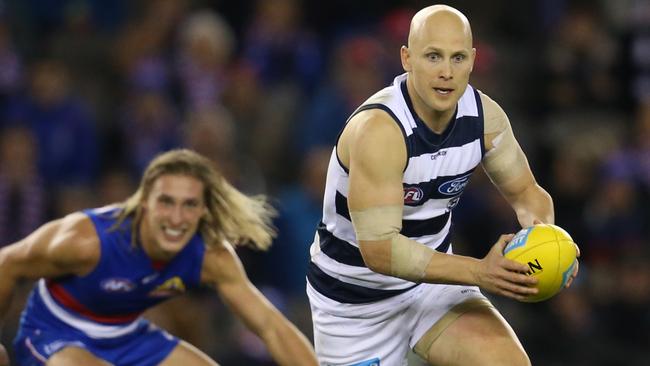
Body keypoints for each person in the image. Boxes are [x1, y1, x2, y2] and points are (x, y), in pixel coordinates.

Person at [306, 5, 580, 366]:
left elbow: (527, 194)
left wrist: (549, 240)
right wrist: (481, 272)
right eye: (433, 56)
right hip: (354, 303)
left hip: (433, 287)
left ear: (473, 60)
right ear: (406, 58)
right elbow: (381, 251)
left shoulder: (485, 118)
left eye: (458, 57)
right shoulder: (380, 131)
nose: (446, 72)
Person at [0, 149, 318, 366]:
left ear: (203, 210)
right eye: (166, 202)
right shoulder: (86, 241)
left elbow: (270, 327)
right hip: (54, 334)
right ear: (144, 203)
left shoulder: (210, 255)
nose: (176, 218)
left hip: (127, 334)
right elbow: (7, 263)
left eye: (189, 205)